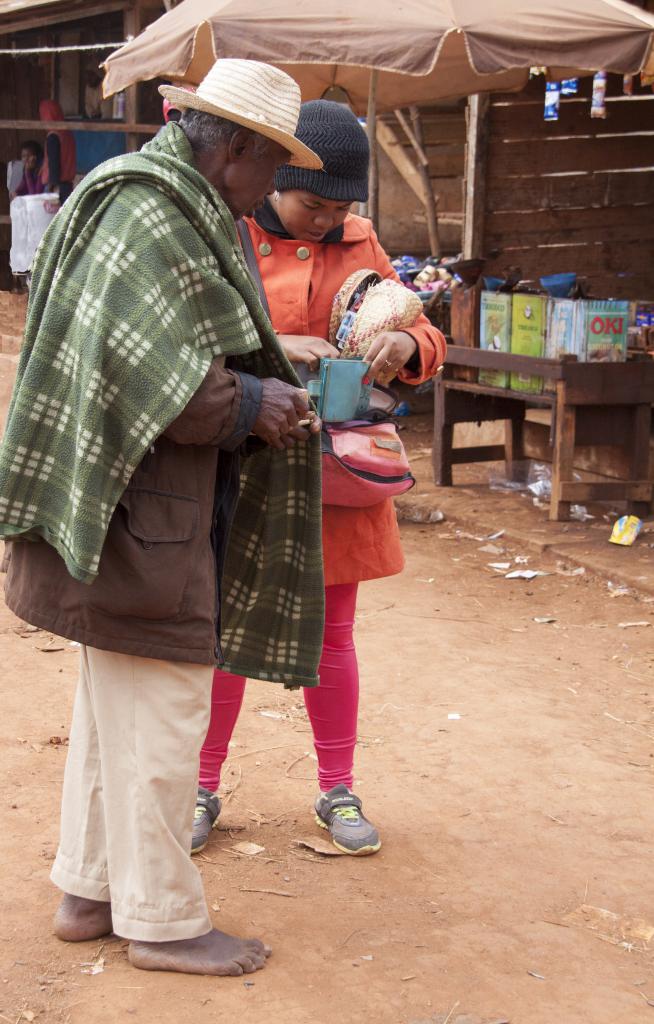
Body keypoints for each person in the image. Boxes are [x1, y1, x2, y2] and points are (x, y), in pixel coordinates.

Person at [0, 58, 325, 977]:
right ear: (236, 151)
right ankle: (163, 922)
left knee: (115, 710)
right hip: (147, 510)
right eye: (276, 167)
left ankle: (90, 889)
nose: (277, 188)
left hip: (131, 502)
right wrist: (250, 402)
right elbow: (148, 373)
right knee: (164, 709)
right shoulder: (150, 210)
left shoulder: (154, 197)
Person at [192, 100, 447, 857]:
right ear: (273, 177)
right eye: (312, 204)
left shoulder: (360, 241)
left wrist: (406, 338)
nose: (325, 221)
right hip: (242, 463)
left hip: (335, 475)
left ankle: (337, 789)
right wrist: (274, 342)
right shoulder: (224, 227)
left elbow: (425, 331)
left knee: (334, 638)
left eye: (341, 209)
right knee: (221, 636)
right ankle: (199, 788)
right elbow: (195, 332)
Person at [39, 99, 76, 202]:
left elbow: (54, 162)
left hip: (56, 186)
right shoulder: (67, 134)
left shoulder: (53, 136)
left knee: (53, 216)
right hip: (67, 185)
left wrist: (53, 185)